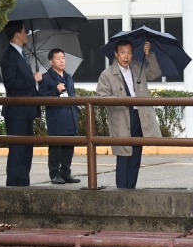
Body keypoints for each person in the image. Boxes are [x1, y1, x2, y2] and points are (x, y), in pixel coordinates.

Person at [96, 38, 161, 189]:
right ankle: (121, 190)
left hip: (140, 116)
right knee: (123, 155)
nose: (126, 56)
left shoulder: (137, 67)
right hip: (121, 117)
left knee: (136, 154)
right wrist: (121, 99)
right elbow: (101, 97)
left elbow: (155, 73)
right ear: (116, 54)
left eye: (129, 53)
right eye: (122, 53)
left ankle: (131, 189)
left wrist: (148, 54)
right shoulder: (107, 74)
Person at [0, 20, 42, 186]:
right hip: (17, 112)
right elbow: (10, 83)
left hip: (26, 111)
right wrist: (32, 78)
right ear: (17, 33)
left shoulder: (21, 53)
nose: (27, 34)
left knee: (26, 151)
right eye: (24, 31)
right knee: (18, 152)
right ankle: (14, 187)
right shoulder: (9, 55)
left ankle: (23, 185)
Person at [38, 48, 80, 185]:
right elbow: (41, 97)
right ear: (51, 61)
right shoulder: (46, 78)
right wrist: (55, 90)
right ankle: (54, 174)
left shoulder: (68, 76)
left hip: (70, 117)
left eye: (63, 57)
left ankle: (65, 173)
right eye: (58, 58)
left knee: (69, 148)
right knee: (56, 148)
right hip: (56, 118)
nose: (62, 60)